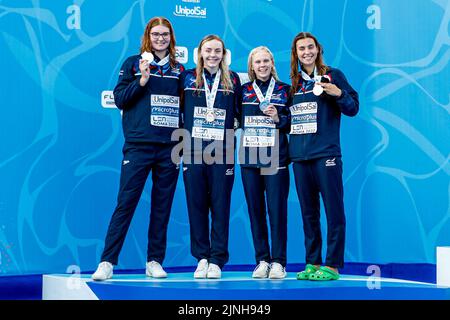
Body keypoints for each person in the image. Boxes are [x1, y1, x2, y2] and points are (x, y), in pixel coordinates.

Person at [92, 17, 185, 281]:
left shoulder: (179, 69)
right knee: (126, 203)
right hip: (138, 146)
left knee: (162, 206)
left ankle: (154, 260)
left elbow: (185, 106)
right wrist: (141, 81)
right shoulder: (133, 63)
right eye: (156, 34)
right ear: (148, 36)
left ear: (171, 37)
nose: (160, 39)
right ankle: (107, 261)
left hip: (169, 147)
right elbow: (120, 99)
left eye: (165, 34)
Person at [288, 32, 359, 281]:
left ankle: (332, 265)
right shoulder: (294, 83)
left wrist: (338, 93)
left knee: (333, 210)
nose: (306, 52)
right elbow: (290, 120)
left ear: (318, 49)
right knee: (309, 213)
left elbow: (353, 108)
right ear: (295, 54)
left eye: (310, 47)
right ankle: (312, 262)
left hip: (326, 155)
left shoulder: (333, 74)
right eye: (301, 49)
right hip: (300, 157)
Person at [179, 35, 241, 279]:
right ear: (200, 53)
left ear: (223, 54)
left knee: (220, 204)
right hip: (192, 148)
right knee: (196, 204)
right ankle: (202, 258)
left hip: (223, 149)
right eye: (208, 50)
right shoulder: (187, 77)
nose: (213, 55)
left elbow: (240, 111)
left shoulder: (233, 78)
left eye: (217, 50)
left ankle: (217, 259)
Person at [239, 46, 291, 279]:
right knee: (255, 210)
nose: (262, 66)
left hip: (276, 157)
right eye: (258, 62)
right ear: (251, 66)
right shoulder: (242, 90)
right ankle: (262, 259)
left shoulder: (284, 90)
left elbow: (293, 123)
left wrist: (279, 118)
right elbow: (233, 118)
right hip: (250, 158)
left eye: (266, 61)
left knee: (277, 210)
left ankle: (278, 262)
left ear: (272, 63)